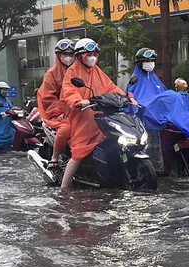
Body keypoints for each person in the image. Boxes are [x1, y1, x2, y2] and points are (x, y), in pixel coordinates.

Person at [56, 38, 126, 189]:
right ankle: (64, 187)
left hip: (101, 115)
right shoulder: (73, 71)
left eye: (94, 54)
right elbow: (69, 91)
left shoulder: (97, 71)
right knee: (78, 153)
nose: (91, 57)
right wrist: (78, 101)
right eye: (88, 55)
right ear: (80, 56)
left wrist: (125, 97)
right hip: (82, 117)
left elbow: (110, 87)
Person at [37, 38, 77, 167]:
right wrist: (59, 112)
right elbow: (48, 98)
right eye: (65, 55)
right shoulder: (51, 74)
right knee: (66, 129)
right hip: (59, 113)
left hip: (79, 110)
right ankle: (54, 158)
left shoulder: (80, 71)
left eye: (71, 55)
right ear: (59, 55)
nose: (68, 58)